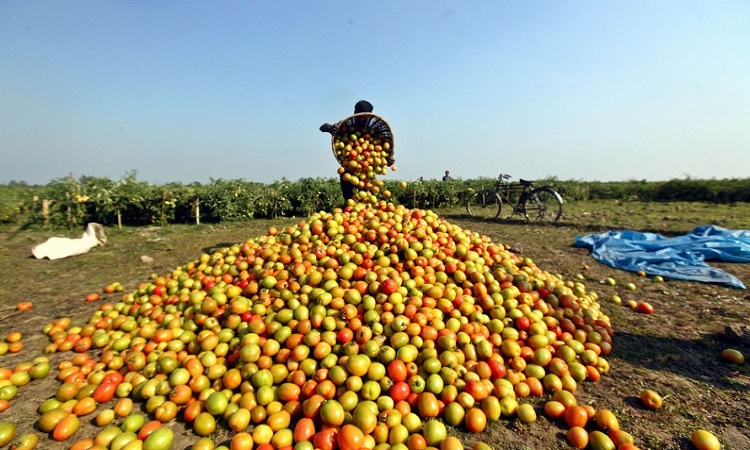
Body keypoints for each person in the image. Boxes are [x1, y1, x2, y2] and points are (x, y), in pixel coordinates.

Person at [320, 100, 395, 203]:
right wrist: (330, 128)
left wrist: (389, 158)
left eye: (366, 116)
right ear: (355, 112)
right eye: (361, 115)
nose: (364, 118)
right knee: (350, 199)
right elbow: (322, 127)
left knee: (368, 200)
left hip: (367, 171)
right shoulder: (345, 126)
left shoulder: (372, 130)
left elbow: (384, 147)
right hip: (349, 169)